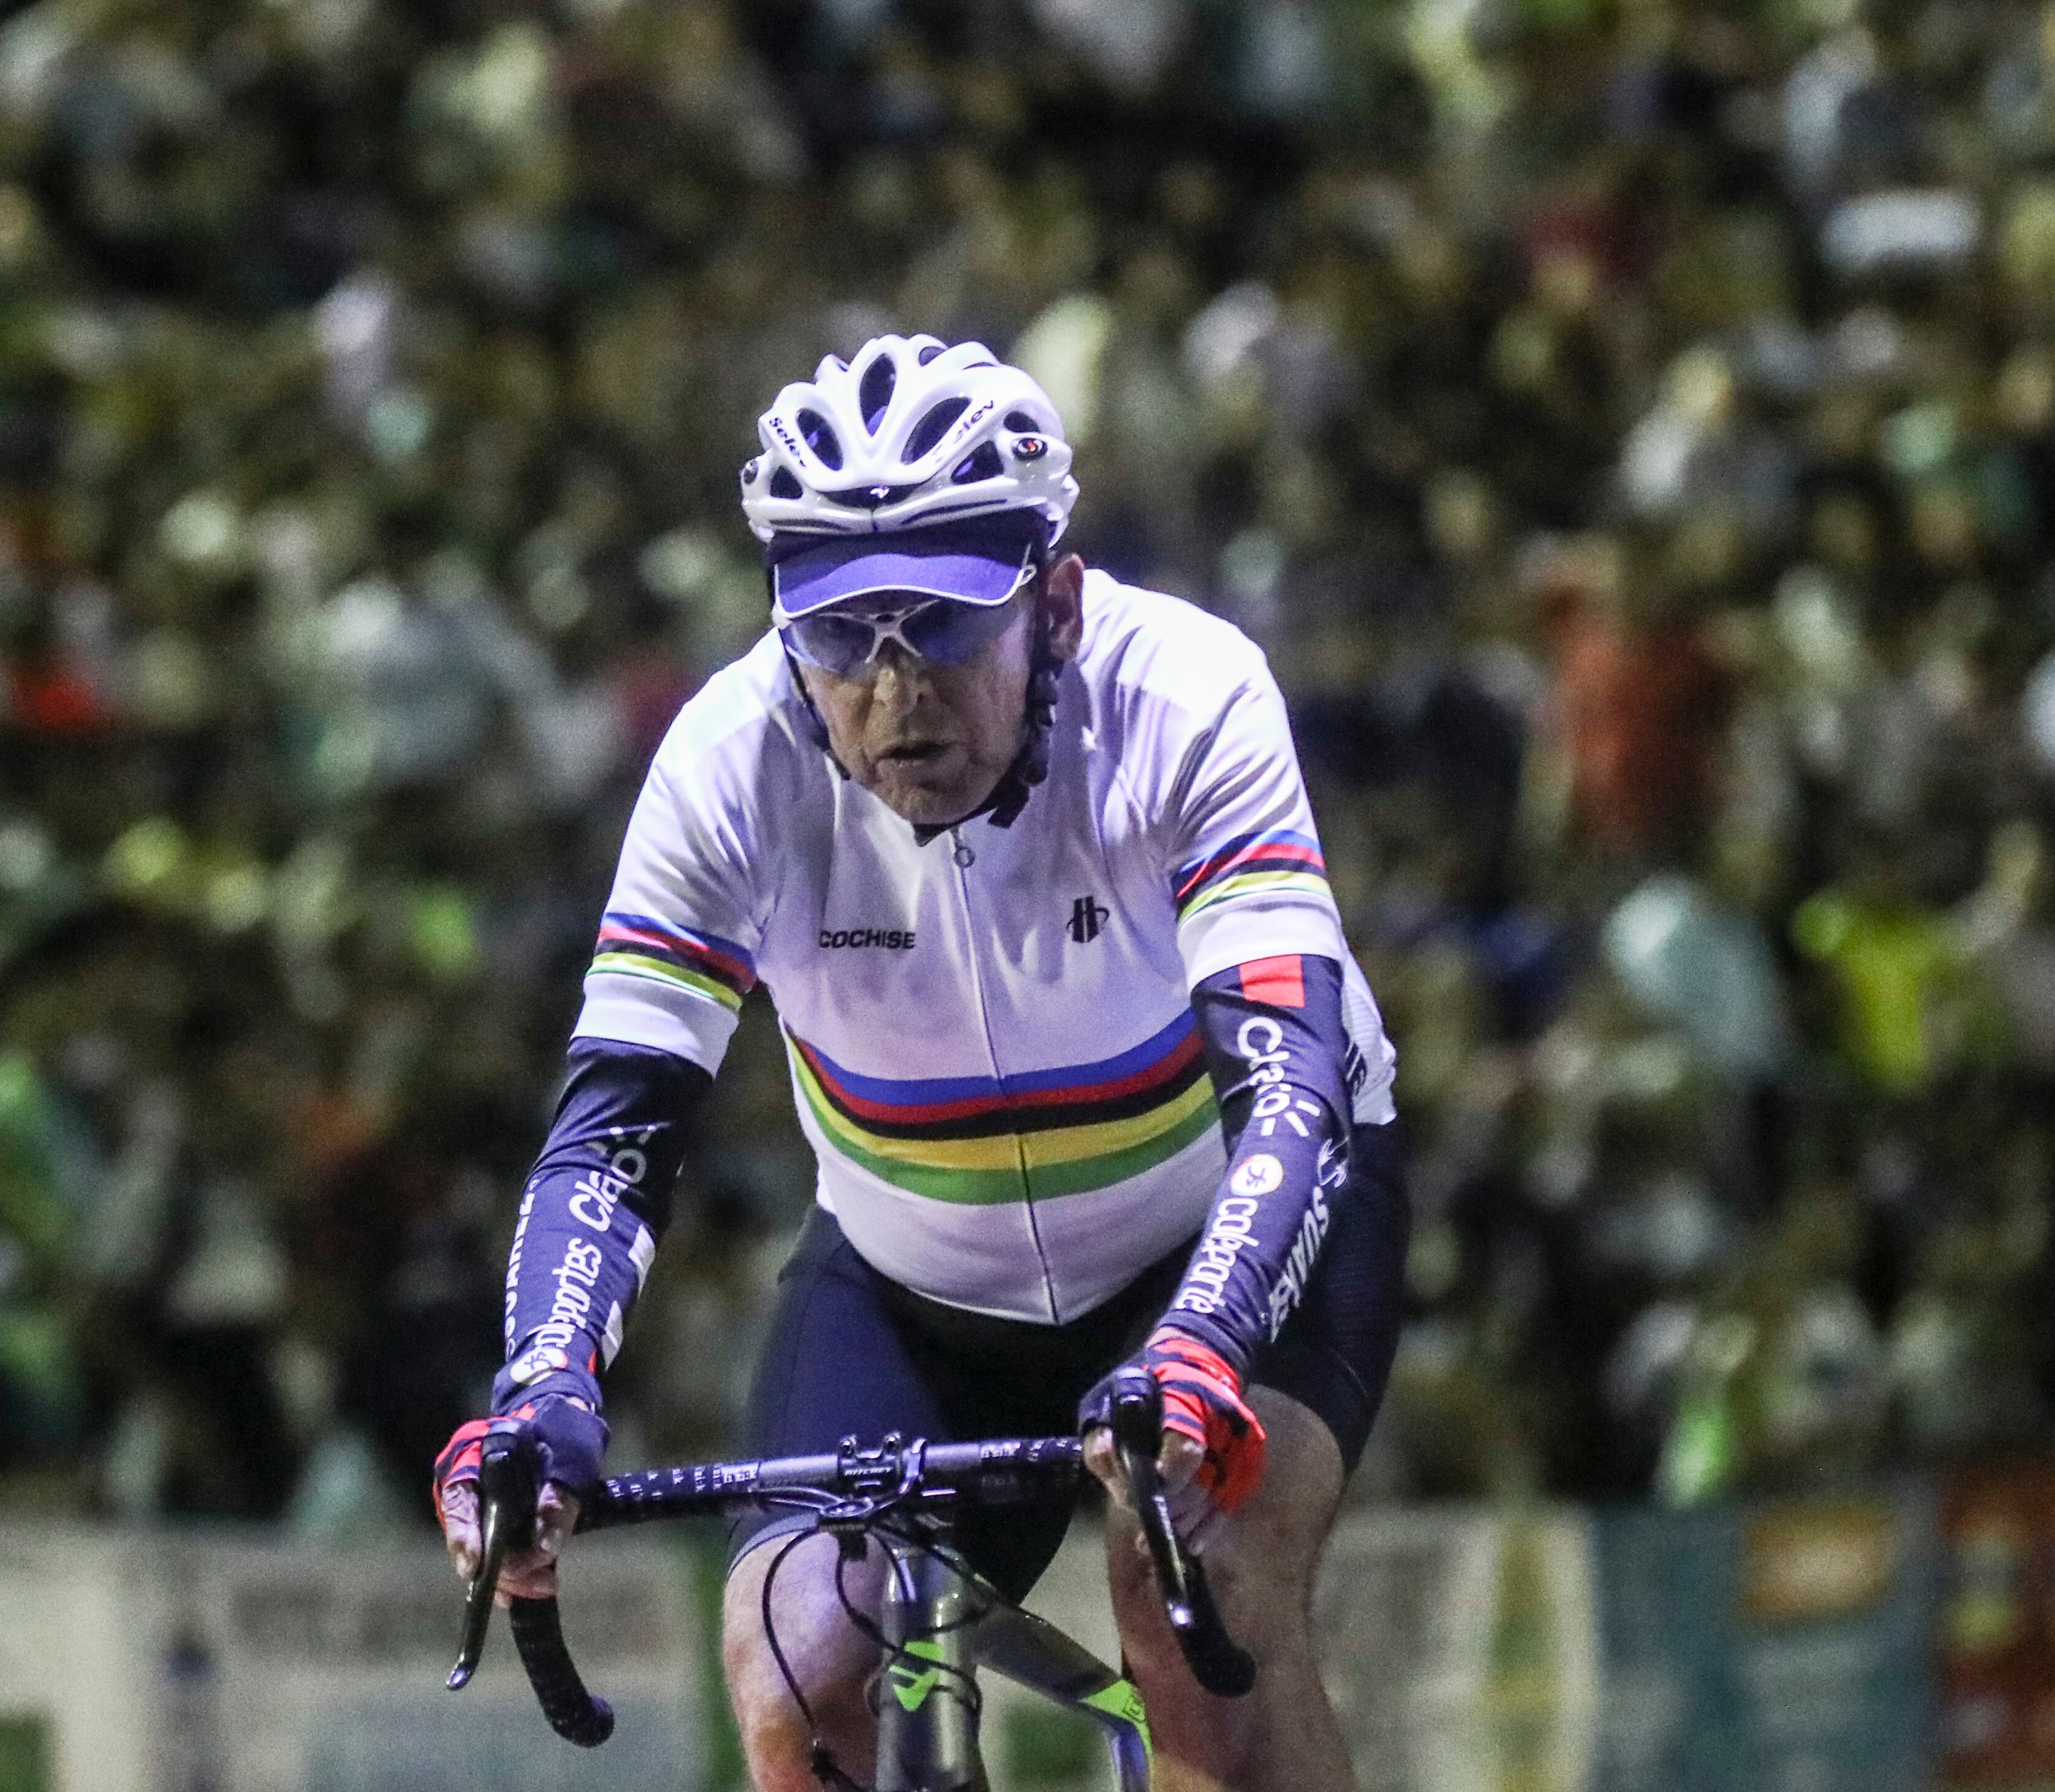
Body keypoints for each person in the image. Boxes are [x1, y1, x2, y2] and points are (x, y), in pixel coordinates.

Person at [434, 335, 1406, 1791]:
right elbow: (612, 1133)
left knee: (1195, 1600)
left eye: (943, 629)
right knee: (793, 1651)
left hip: (1220, 1232)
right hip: (914, 1279)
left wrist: (1200, 1343)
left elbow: (1289, 1089)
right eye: (839, 639)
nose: (895, 694)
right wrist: (539, 1388)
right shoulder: (725, 762)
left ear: (1056, 605)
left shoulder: (1188, 694)